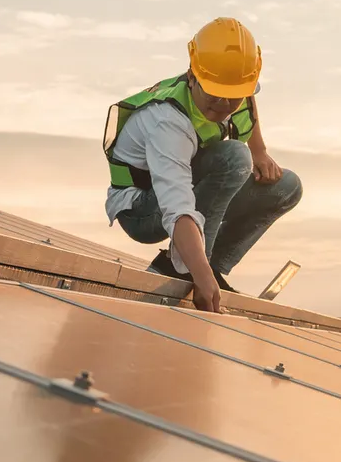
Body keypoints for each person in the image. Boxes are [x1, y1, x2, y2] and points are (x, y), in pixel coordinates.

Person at [101, 17, 303, 312]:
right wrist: (198, 273)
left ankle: (214, 270)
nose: (223, 104)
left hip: (188, 189)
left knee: (287, 187)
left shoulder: (234, 91)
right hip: (142, 208)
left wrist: (259, 150)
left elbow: (246, 101)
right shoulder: (167, 121)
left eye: (233, 95)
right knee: (234, 157)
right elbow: (176, 206)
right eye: (214, 93)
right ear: (192, 76)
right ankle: (183, 266)